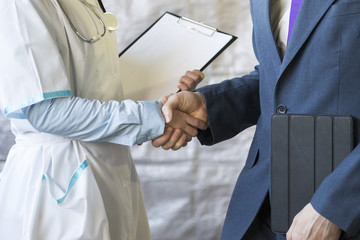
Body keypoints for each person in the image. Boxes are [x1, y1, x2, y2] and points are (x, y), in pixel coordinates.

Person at [153, 0, 360, 239]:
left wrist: (334, 207)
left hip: (340, 208)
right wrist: (208, 106)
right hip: (261, 201)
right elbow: (279, 76)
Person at [0, 0, 207, 239]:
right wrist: (157, 116)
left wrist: (166, 96)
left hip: (110, 169)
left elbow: (96, 89)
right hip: (60, 179)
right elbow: (46, 111)